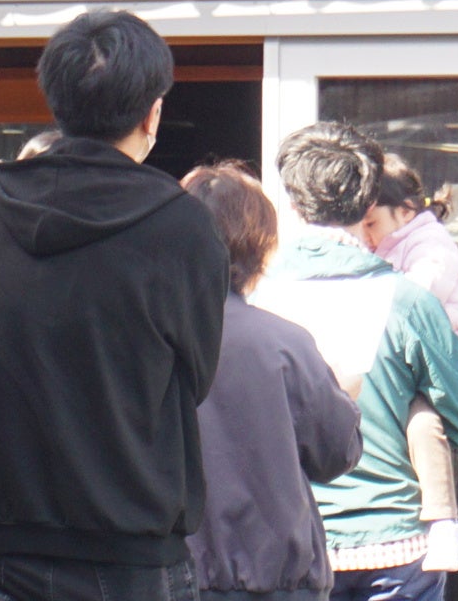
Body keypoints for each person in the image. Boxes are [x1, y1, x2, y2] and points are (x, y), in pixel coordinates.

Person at [0, 8, 229, 601]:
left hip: (5, 534)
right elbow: (196, 375)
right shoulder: (181, 223)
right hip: (130, 537)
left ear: (55, 101)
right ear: (152, 112)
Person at [252, 122, 458, 601]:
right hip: (396, 544)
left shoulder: (256, 299)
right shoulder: (408, 300)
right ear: (368, 200)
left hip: (293, 539)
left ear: (292, 202)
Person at [181, 162, 363, 601]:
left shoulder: (140, 342)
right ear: (260, 246)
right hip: (279, 579)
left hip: (172, 575)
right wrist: (345, 396)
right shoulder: (284, 343)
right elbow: (336, 453)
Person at [361, 154, 458, 571]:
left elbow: (421, 291)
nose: (368, 235)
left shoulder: (431, 243)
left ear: (406, 211)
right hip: (397, 359)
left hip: (432, 364)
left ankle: (443, 521)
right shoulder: (385, 244)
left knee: (423, 423)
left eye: (373, 223)